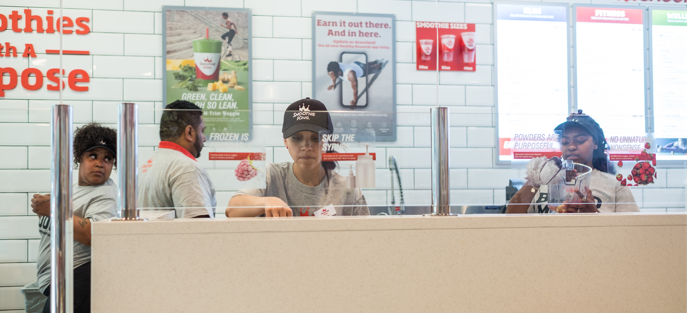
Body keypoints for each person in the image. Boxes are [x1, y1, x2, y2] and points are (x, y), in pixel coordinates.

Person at [226, 98, 369, 217]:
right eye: (296, 138)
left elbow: (366, 238)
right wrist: (266, 202)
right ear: (285, 142)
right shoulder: (270, 175)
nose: (306, 147)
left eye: (315, 138)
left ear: (327, 141)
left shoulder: (349, 190)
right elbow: (232, 209)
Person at [33, 123, 118, 313]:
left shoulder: (105, 193)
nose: (100, 163)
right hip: (59, 279)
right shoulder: (70, 187)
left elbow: (93, 235)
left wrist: (55, 210)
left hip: (79, 276)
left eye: (108, 159)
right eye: (93, 155)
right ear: (80, 157)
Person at [506, 110, 640, 213]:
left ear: (595, 144)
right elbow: (511, 219)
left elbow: (630, 230)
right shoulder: (544, 182)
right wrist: (536, 179)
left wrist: (593, 215)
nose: (571, 146)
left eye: (580, 140)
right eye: (565, 142)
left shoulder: (614, 185)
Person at [138, 100, 216, 218]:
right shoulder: (186, 168)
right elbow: (200, 229)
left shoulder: (148, 164)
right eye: (202, 131)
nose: (204, 138)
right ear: (189, 132)